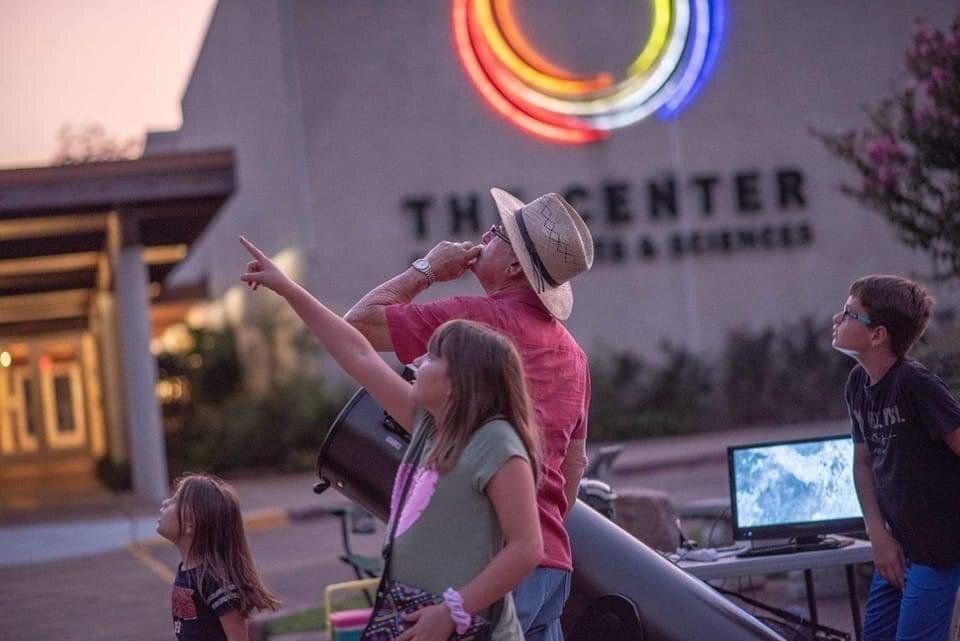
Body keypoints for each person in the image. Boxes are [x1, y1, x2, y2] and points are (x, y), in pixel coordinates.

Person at [239, 236, 543, 641]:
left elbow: (526, 548)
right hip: (411, 614)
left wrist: (453, 611)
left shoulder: (496, 442)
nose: (416, 361)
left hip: (463, 627)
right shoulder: (429, 425)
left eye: (433, 357)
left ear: (460, 382)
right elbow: (358, 354)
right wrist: (287, 287)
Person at [344, 189, 593, 641]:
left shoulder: (472, 325)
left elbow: (357, 325)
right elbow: (572, 467)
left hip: (483, 570)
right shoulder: (574, 356)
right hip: (551, 566)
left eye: (497, 232)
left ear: (515, 266)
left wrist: (427, 269)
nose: (484, 235)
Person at [831, 274, 960, 641]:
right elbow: (863, 463)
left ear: (877, 335)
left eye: (849, 313)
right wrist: (878, 534)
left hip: (939, 550)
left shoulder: (916, 384)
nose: (836, 320)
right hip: (898, 545)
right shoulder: (857, 384)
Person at [157, 473, 281, 641]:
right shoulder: (186, 571)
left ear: (190, 524)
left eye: (175, 500)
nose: (165, 502)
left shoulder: (213, 581)